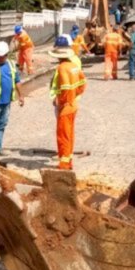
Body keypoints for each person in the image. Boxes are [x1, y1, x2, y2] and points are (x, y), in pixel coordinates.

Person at [48, 35, 86, 170]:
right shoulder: (74, 66)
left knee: (63, 135)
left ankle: (64, 164)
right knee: (69, 134)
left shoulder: (62, 68)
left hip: (65, 107)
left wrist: (60, 101)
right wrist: (75, 96)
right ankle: (68, 160)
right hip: (73, 105)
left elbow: (64, 88)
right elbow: (82, 84)